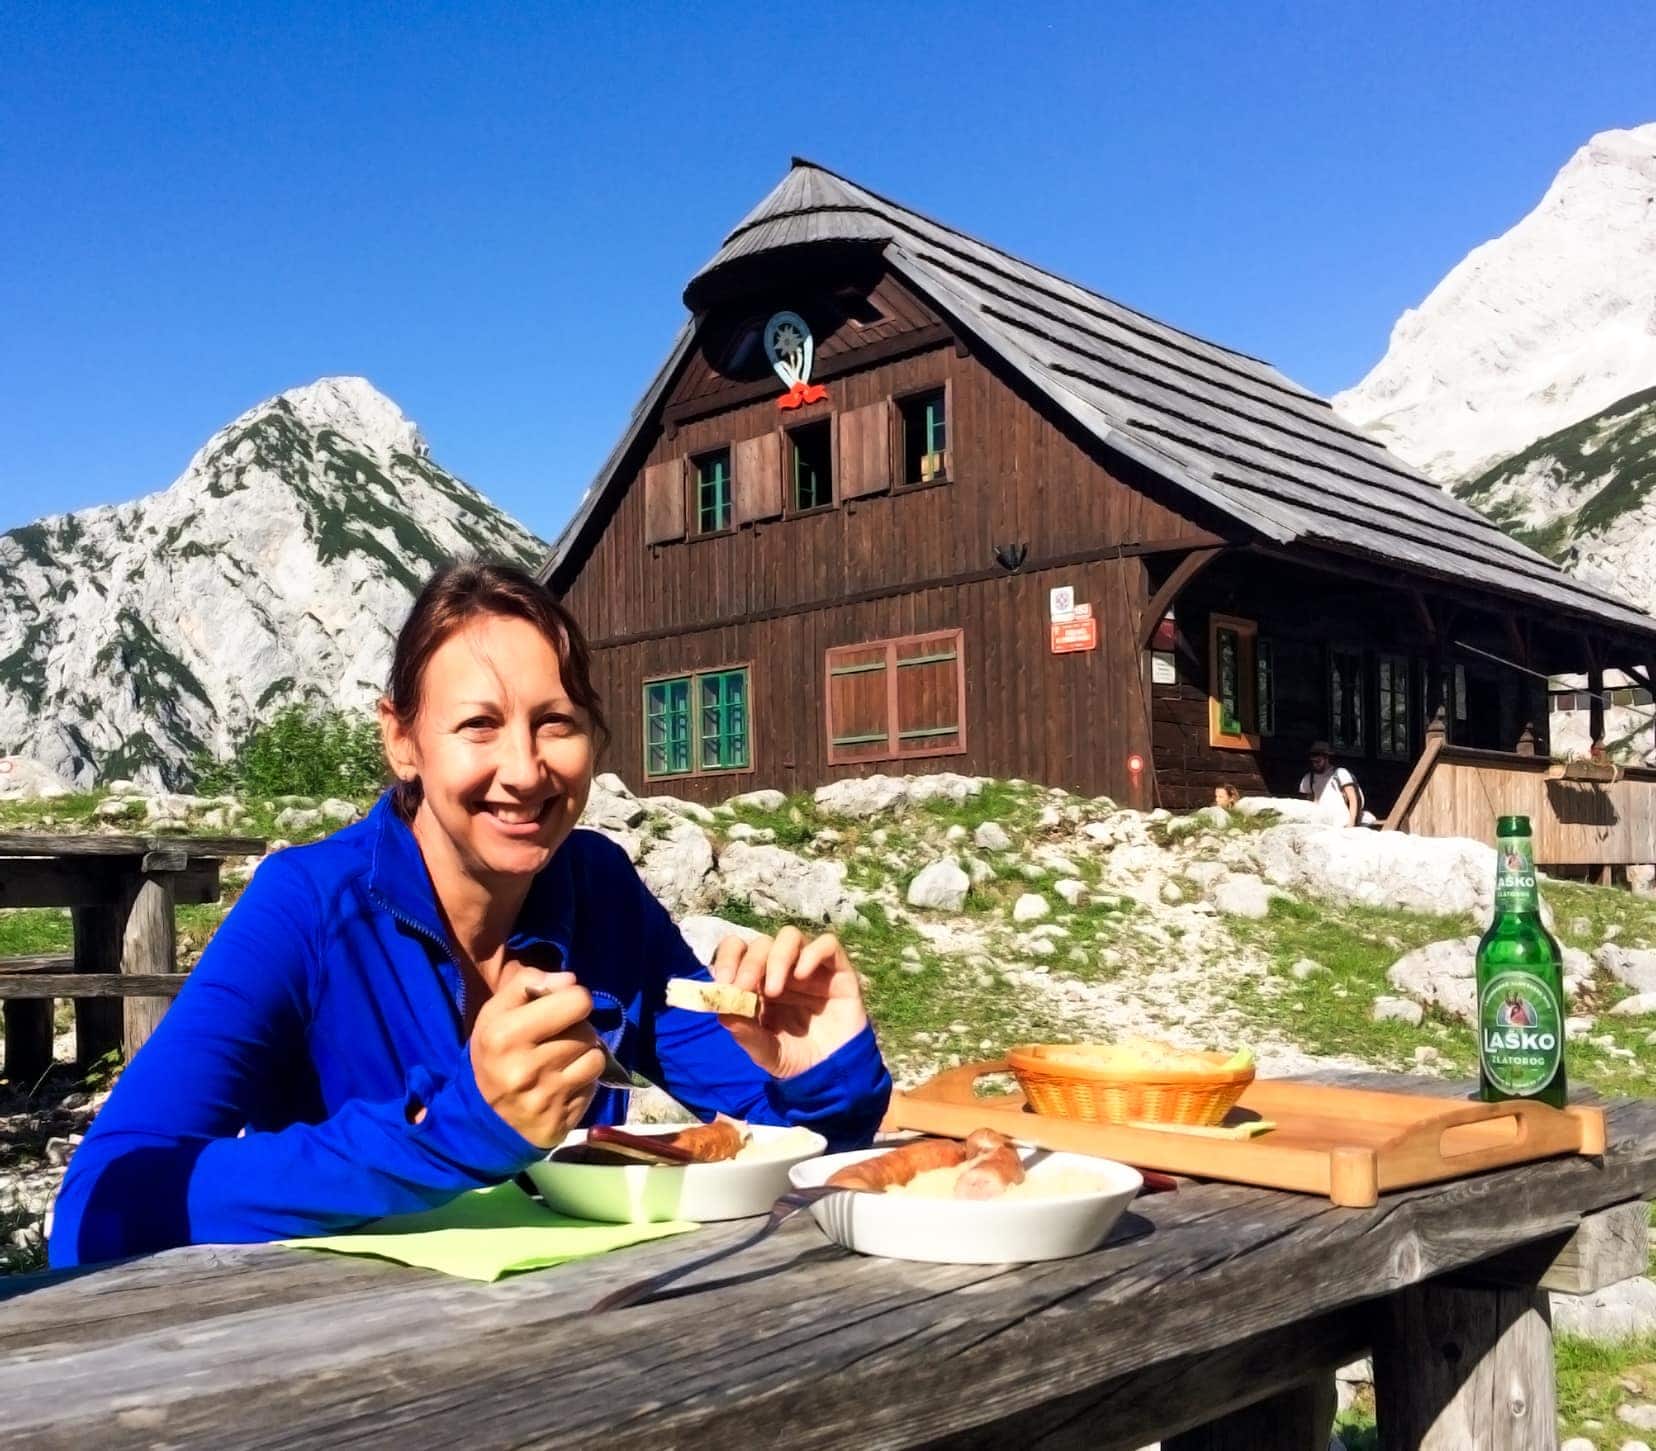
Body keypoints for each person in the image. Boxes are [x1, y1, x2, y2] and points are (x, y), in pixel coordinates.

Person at [49, 563, 891, 1268]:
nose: (524, 771)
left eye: (554, 722)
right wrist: (455, 1131)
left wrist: (816, 1074)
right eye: (478, 726)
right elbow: (102, 1202)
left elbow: (775, 1150)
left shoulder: (595, 885)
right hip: (333, 1362)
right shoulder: (304, 906)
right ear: (403, 740)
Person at [1299, 741, 1364, 827]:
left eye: (1318, 761)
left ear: (1326, 758)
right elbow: (1309, 801)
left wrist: (1351, 823)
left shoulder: (1340, 773)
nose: (1315, 764)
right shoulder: (1308, 778)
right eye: (1313, 762)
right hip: (1320, 823)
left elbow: (1353, 799)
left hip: (1342, 822)